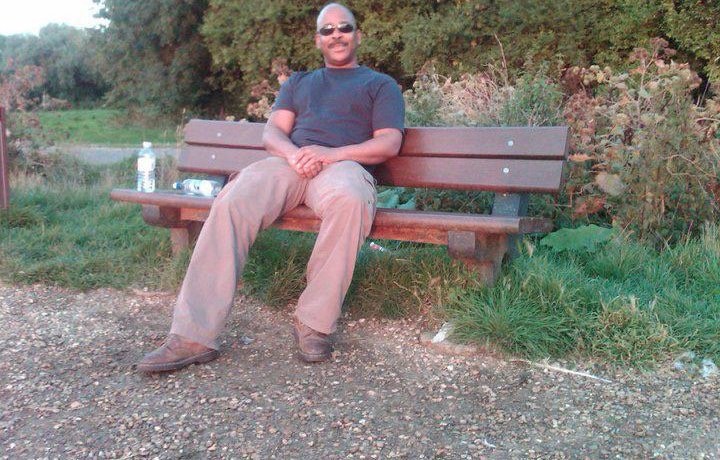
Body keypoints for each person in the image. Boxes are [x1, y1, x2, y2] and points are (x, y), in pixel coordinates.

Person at [137, 2, 405, 372]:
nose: (336, 35)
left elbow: (389, 142)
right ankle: (193, 334)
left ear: (357, 35)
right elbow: (272, 132)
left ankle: (314, 323)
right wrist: (294, 154)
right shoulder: (299, 83)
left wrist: (331, 154)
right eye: (327, 30)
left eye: (344, 27)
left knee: (352, 199)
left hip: (342, 166)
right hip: (289, 164)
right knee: (232, 199)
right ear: (318, 40)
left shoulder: (379, 85)